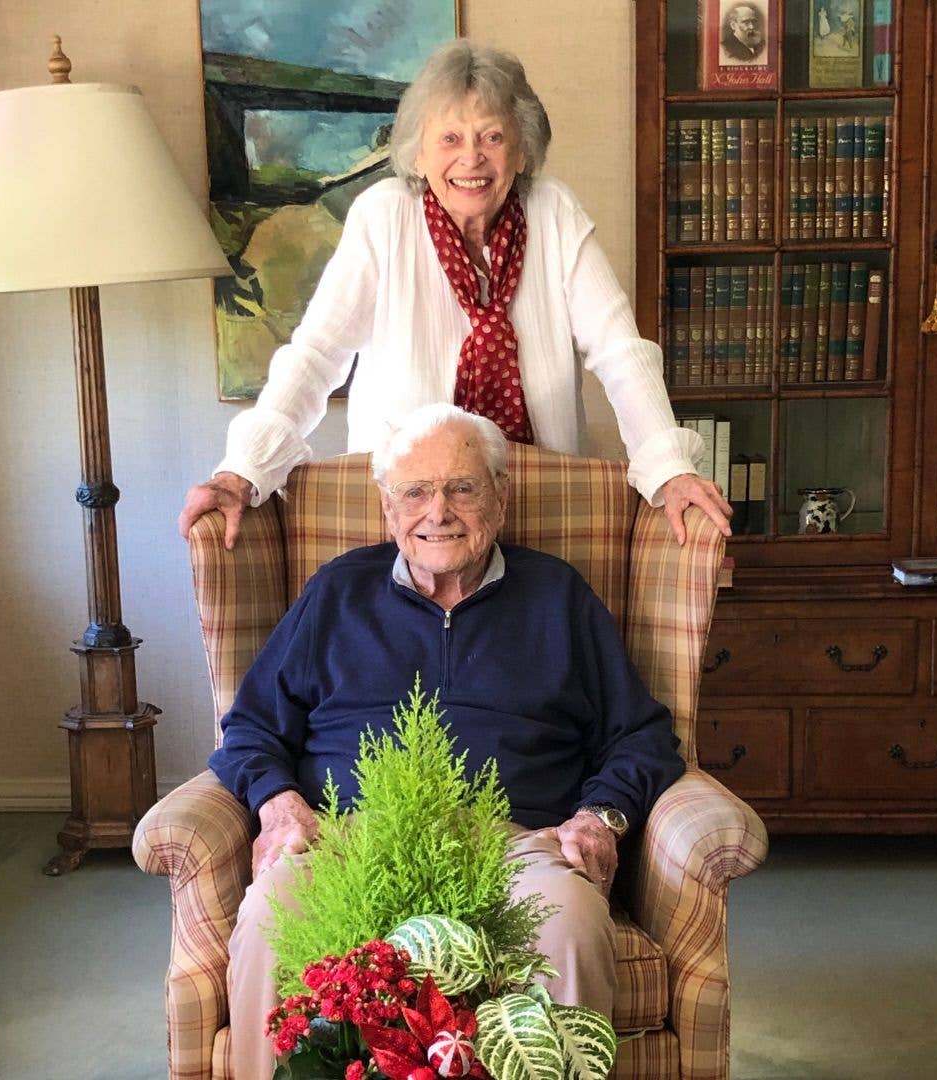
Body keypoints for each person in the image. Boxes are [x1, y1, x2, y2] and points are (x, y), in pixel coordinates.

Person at [209, 403, 687, 1076]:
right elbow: (252, 728)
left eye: (463, 488)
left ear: (500, 496)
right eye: (416, 491)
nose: (439, 511)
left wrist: (598, 818)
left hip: (514, 846)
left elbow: (640, 736)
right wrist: (278, 803)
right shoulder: (338, 591)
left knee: (573, 926)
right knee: (268, 918)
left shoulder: (558, 596)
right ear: (387, 506)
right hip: (350, 840)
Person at [180, 40, 731, 551]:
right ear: (418, 154)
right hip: (412, 518)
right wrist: (243, 470)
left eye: (492, 137)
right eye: (450, 139)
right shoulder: (383, 216)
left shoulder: (553, 212)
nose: (472, 158)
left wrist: (669, 467)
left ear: (522, 150)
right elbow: (317, 354)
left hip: (536, 503)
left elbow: (619, 351)